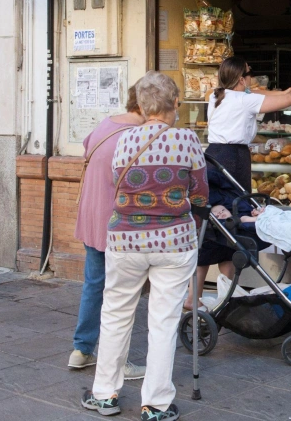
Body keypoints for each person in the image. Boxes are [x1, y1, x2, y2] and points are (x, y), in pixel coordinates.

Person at [81, 72, 209, 420]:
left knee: (115, 315)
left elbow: (117, 185)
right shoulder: (187, 140)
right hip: (174, 241)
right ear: (176, 104)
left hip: (125, 240)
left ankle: (105, 395)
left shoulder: (125, 140)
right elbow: (200, 194)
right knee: (164, 321)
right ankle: (155, 403)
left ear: (142, 105)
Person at [184, 56, 291, 310]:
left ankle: (202, 295)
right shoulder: (245, 100)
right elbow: (290, 101)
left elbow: (254, 92)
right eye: (250, 72)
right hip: (233, 159)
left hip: (215, 155)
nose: (253, 77)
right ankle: (225, 295)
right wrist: (289, 93)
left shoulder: (216, 95)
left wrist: (270, 90)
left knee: (216, 223)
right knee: (232, 218)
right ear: (240, 79)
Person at [70, 82, 147, 380]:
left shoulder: (106, 123)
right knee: (120, 295)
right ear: (145, 106)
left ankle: (81, 349)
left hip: (91, 214)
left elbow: (87, 150)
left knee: (94, 284)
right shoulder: (137, 135)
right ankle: (118, 363)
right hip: (118, 221)